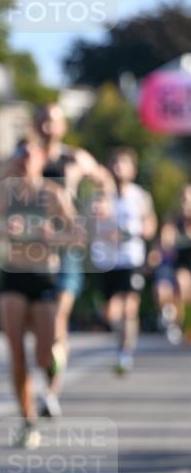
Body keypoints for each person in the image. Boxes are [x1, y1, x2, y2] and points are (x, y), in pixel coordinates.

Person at [0, 133, 81, 448]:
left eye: (30, 156)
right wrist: (0, 232)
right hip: (12, 277)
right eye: (20, 157)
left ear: (41, 159)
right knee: (16, 354)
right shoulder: (2, 196)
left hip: (44, 277)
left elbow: (78, 237)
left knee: (44, 355)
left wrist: (51, 236)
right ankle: (28, 421)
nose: (25, 162)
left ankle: (55, 363)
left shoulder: (54, 194)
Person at [33, 103, 114, 395]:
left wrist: (103, 202)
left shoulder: (75, 158)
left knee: (57, 316)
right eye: (41, 119)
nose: (46, 126)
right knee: (44, 326)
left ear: (63, 126)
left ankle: (52, 392)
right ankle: (49, 370)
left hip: (66, 247)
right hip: (33, 251)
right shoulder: (26, 159)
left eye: (52, 120)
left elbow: (104, 179)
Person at [91, 147, 157, 373]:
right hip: (106, 260)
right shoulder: (100, 195)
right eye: (115, 163)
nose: (118, 168)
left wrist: (137, 231)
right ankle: (120, 341)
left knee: (130, 307)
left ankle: (125, 352)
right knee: (111, 312)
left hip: (131, 259)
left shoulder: (140, 196)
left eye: (123, 163)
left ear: (133, 169)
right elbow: (88, 226)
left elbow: (150, 225)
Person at [150, 184, 191, 344]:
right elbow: (165, 246)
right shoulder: (173, 221)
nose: (186, 203)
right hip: (177, 265)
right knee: (176, 283)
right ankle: (172, 318)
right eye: (184, 199)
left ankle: (178, 320)